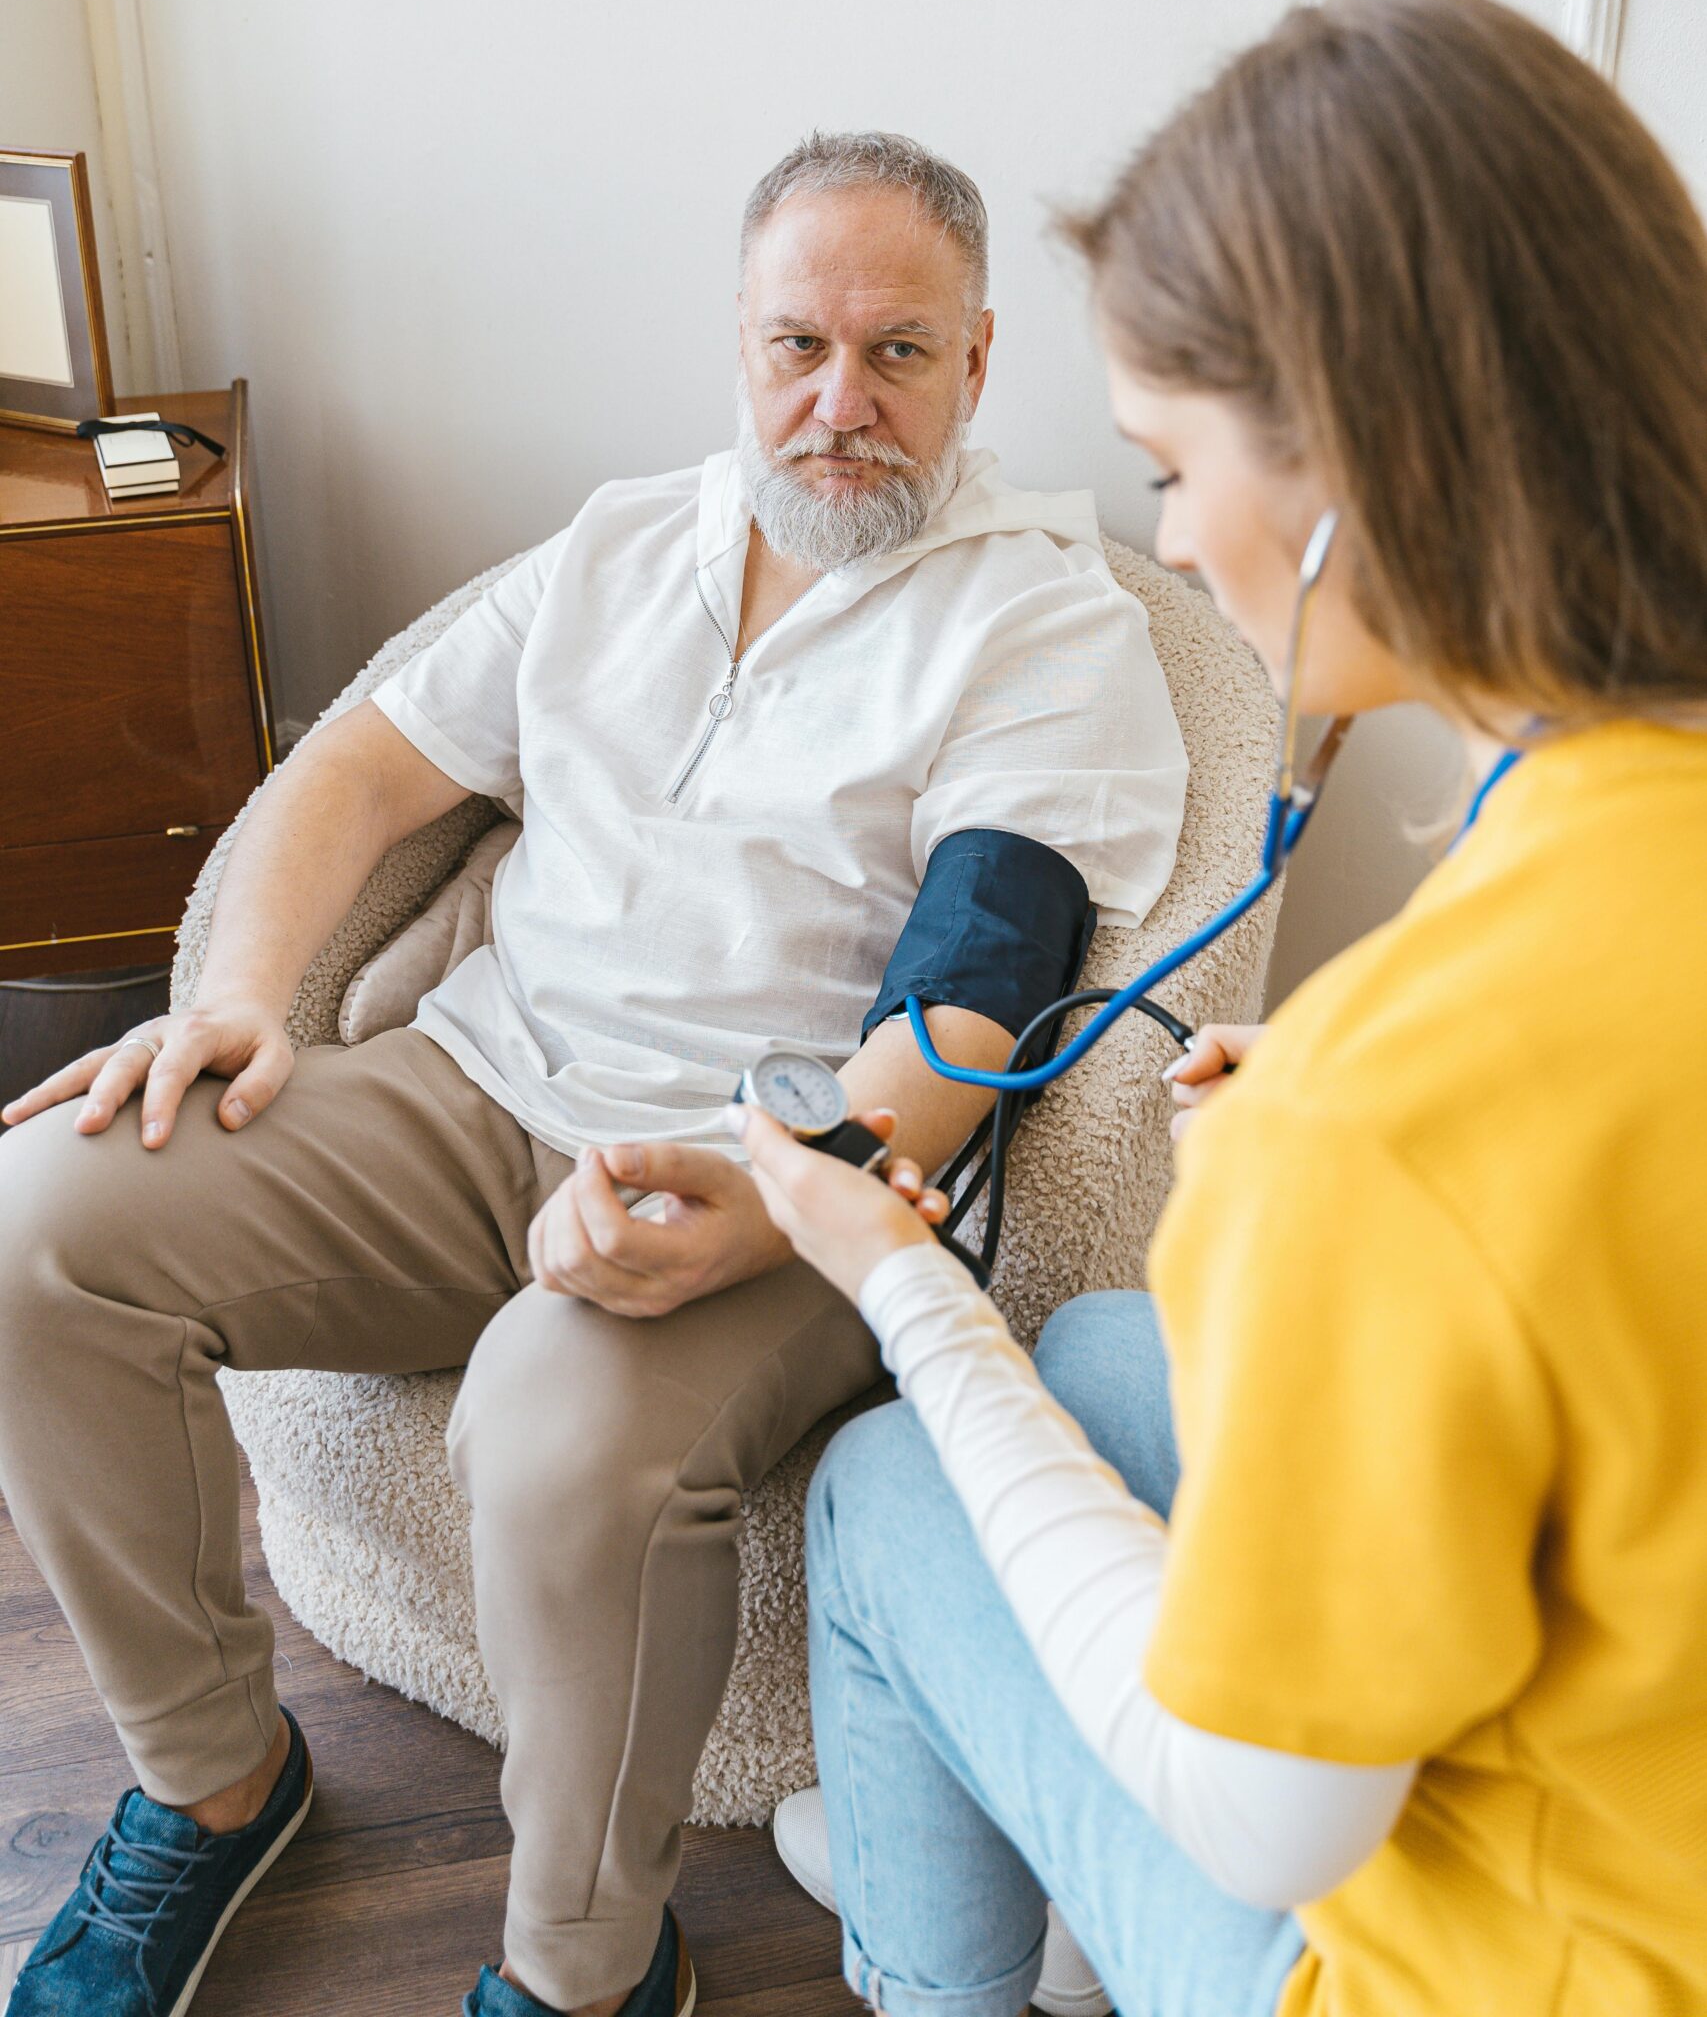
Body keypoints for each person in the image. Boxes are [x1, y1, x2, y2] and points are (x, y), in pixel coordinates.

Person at [0, 131, 1190, 2017]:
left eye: (897, 354)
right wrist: (243, 995)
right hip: (473, 1090)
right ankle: (213, 1786)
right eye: (799, 343)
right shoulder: (625, 537)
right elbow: (361, 771)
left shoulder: (1047, 625)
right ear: (739, 341)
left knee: (559, 1437)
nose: (838, 401)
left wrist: (791, 1176)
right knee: (38, 1221)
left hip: (772, 1167)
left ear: (979, 364)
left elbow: (976, 998)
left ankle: (584, 1972)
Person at [734, 0, 1707, 2017]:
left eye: (1173, 463)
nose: (1173, 535)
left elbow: (1268, 1818)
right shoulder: (1535, 942)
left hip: (1520, 1962)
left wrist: (898, 1285)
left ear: (1366, 473)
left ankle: (946, 1941)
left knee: (887, 1481)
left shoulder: (1394, 1101)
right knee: (1096, 1344)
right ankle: (973, 1815)